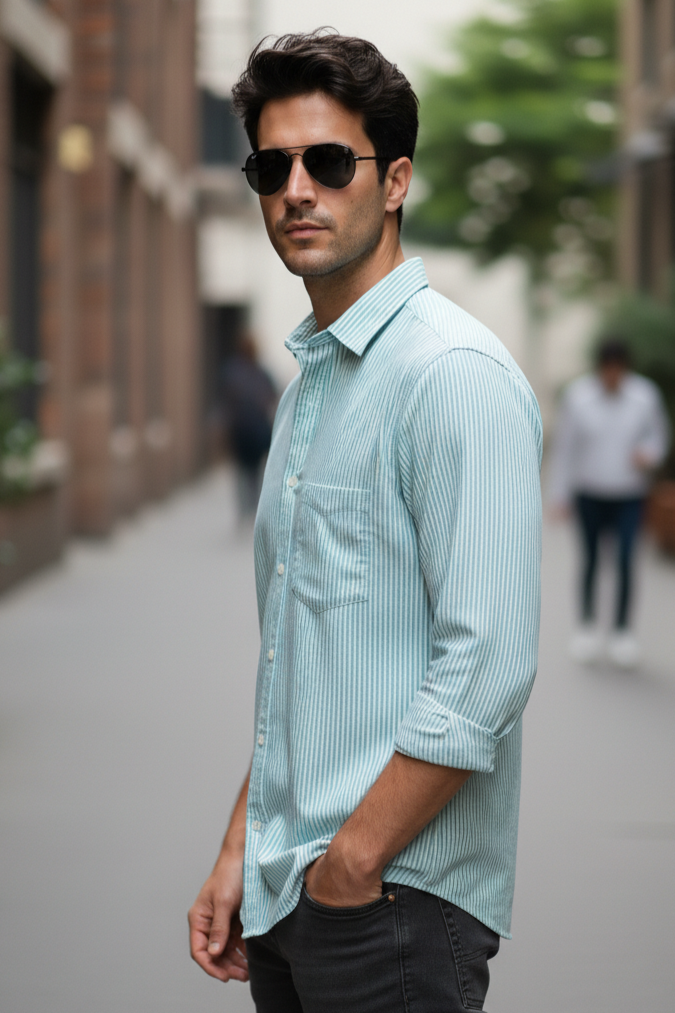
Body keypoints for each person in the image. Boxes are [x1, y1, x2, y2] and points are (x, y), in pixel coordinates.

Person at [189, 31, 542, 1013]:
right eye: (271, 168)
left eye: (328, 162)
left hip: (391, 899)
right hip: (294, 889)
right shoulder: (313, 385)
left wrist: (352, 861)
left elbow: (489, 663)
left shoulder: (450, 374)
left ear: (394, 181)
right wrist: (241, 847)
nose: (296, 189)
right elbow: (298, 663)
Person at [548, 338, 670, 668]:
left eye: (618, 370)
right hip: (589, 492)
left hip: (629, 494)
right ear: (600, 369)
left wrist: (650, 454)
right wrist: (559, 495)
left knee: (626, 560)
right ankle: (586, 626)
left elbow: (659, 437)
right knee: (590, 560)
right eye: (608, 370)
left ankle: (622, 631)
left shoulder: (644, 396)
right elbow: (566, 448)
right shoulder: (579, 397)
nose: (613, 376)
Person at [221, 333, 277, 520]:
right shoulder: (260, 372)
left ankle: (245, 508)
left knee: (242, 471)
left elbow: (226, 401)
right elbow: (273, 395)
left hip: (240, 429)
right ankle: (254, 507)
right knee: (256, 470)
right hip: (257, 429)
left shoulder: (232, 372)